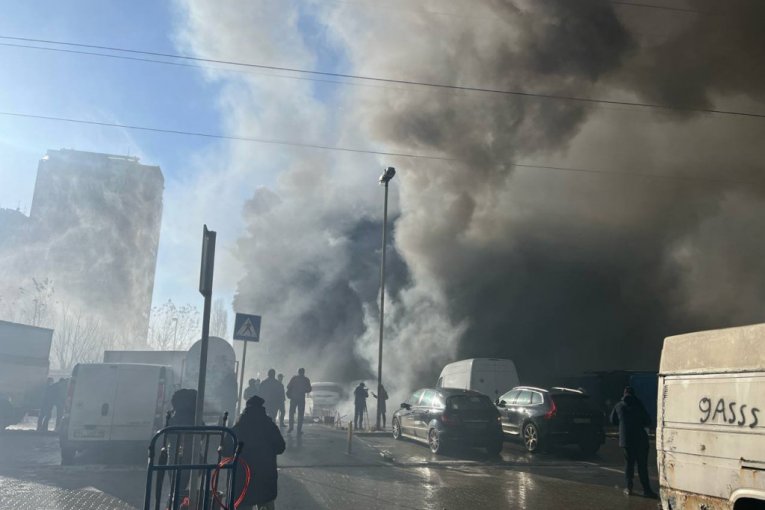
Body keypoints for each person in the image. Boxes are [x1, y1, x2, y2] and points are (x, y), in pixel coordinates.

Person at [230, 395, 286, 510]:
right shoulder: (269, 425)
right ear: (262, 408)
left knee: (243, 504)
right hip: (265, 475)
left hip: (243, 476)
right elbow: (281, 447)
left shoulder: (239, 426)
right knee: (266, 503)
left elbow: (226, 449)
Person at [610, 386, 657, 498]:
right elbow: (648, 420)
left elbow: (612, 420)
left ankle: (629, 488)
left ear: (624, 394)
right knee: (642, 466)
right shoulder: (639, 405)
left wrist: (623, 424)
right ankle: (646, 490)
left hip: (626, 440)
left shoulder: (618, 406)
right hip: (641, 439)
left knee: (629, 464)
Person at [286, 368, 312, 434]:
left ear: (298, 372)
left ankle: (291, 427)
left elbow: (288, 386)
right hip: (301, 398)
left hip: (293, 398)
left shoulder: (294, 378)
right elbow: (309, 389)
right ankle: (299, 429)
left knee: (291, 413)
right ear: (304, 372)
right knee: (300, 414)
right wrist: (303, 390)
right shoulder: (306, 379)